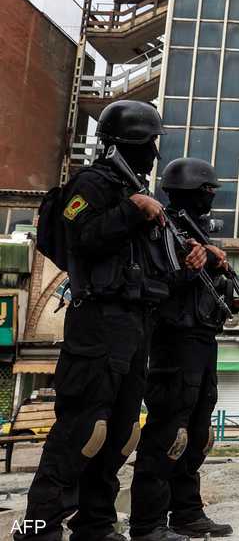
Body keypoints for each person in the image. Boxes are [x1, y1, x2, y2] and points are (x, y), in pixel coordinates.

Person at [18, 101, 206, 541]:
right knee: (83, 428)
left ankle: (95, 524)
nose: (154, 153)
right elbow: (81, 237)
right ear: (125, 142)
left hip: (135, 324)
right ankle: (36, 528)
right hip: (98, 321)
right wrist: (131, 211)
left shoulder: (135, 192)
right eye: (148, 142)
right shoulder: (93, 183)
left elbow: (153, 275)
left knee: (120, 434)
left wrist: (190, 264)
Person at [129, 158, 239, 540]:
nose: (211, 197)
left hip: (203, 339)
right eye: (206, 190)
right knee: (168, 430)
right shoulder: (160, 228)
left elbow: (212, 289)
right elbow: (158, 283)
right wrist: (193, 265)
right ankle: (148, 523)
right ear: (188, 191)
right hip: (174, 340)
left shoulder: (200, 233)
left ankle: (186, 512)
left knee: (198, 433)